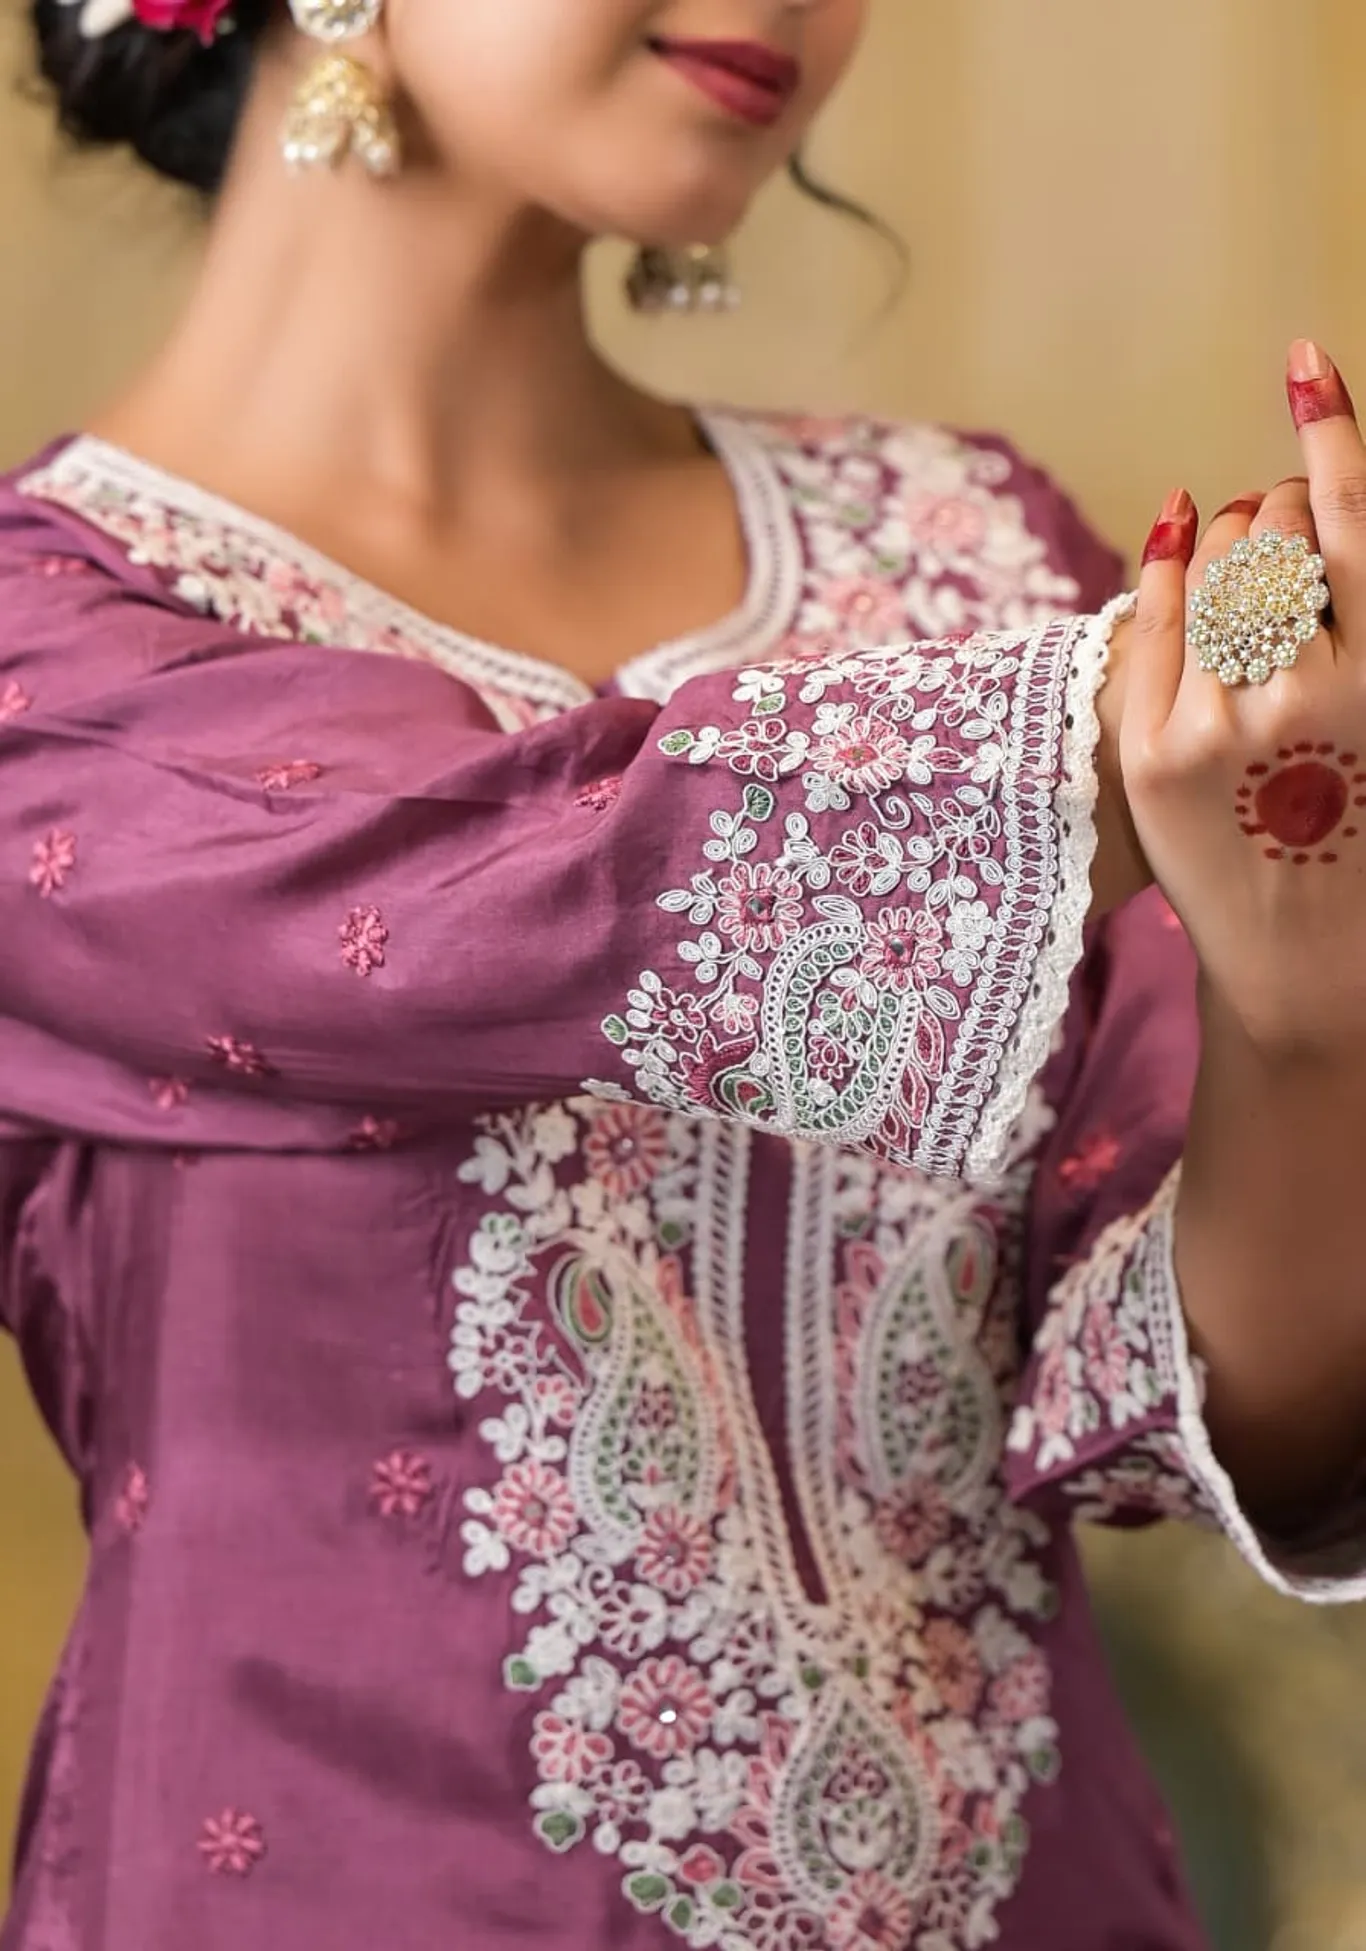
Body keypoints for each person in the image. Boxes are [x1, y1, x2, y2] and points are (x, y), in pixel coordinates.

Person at [2, 1, 1365, 1945]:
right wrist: (1182, 695)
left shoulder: (969, 556)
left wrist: (1304, 1014)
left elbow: (1216, 1416)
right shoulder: (47, 671)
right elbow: (492, 899)